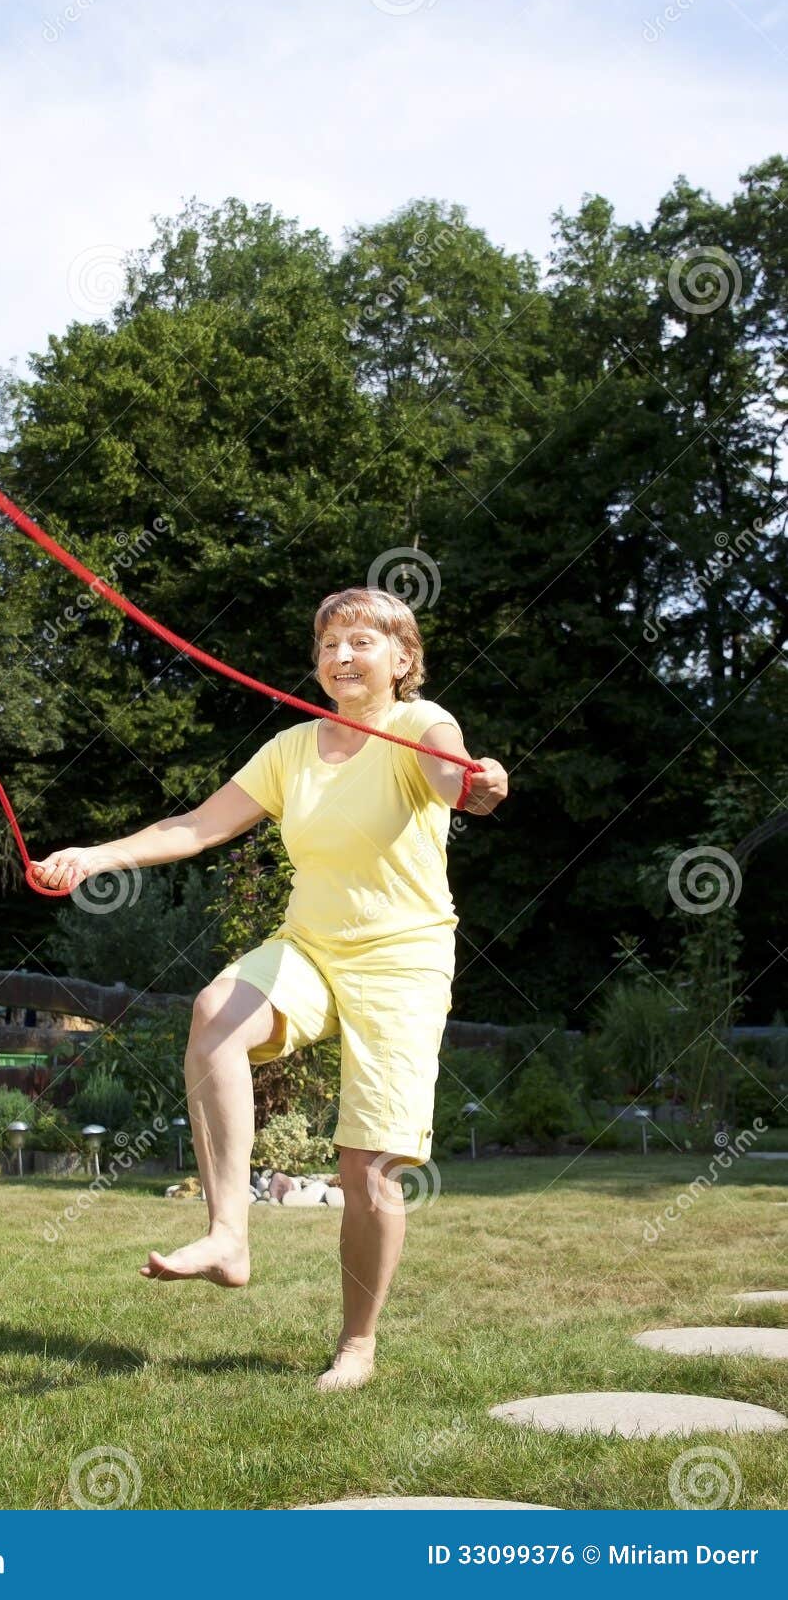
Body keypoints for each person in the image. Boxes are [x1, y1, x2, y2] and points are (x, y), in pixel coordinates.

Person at [29, 586, 509, 1390]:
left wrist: (476, 786)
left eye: (360, 641)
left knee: (367, 1170)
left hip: (402, 959)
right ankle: (227, 1237)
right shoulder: (290, 748)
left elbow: (452, 776)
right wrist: (96, 855)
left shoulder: (419, 723)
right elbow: (196, 826)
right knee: (216, 1012)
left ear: (401, 659)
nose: (340, 657)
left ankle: (357, 1344)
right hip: (311, 946)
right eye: (327, 645)